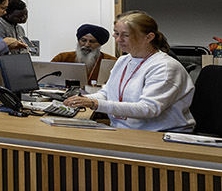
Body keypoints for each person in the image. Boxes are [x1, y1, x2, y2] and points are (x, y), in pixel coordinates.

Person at [64, 11, 194, 131]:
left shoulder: (165, 67)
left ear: (149, 37)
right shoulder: (123, 61)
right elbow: (106, 93)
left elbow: (148, 109)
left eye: (126, 35)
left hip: (158, 134)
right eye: (116, 34)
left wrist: (94, 103)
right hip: (124, 130)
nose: (118, 40)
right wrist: (80, 99)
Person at [52, 24, 116, 84]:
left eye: (92, 42)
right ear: (78, 41)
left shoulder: (112, 61)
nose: (87, 45)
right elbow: (48, 79)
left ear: (99, 44)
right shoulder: (62, 58)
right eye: (83, 40)